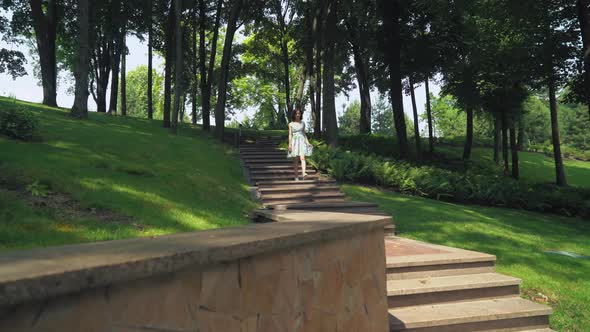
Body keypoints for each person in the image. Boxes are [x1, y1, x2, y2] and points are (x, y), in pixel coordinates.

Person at [288, 108, 313, 181]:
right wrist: (290, 145)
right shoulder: (291, 124)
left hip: (302, 142)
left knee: (303, 158)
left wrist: (308, 143)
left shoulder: (303, 123)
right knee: (296, 160)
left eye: (299, 113)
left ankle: (304, 173)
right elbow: (290, 135)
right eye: (296, 114)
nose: (298, 115)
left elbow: (304, 134)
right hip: (294, 142)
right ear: (294, 115)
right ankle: (296, 176)